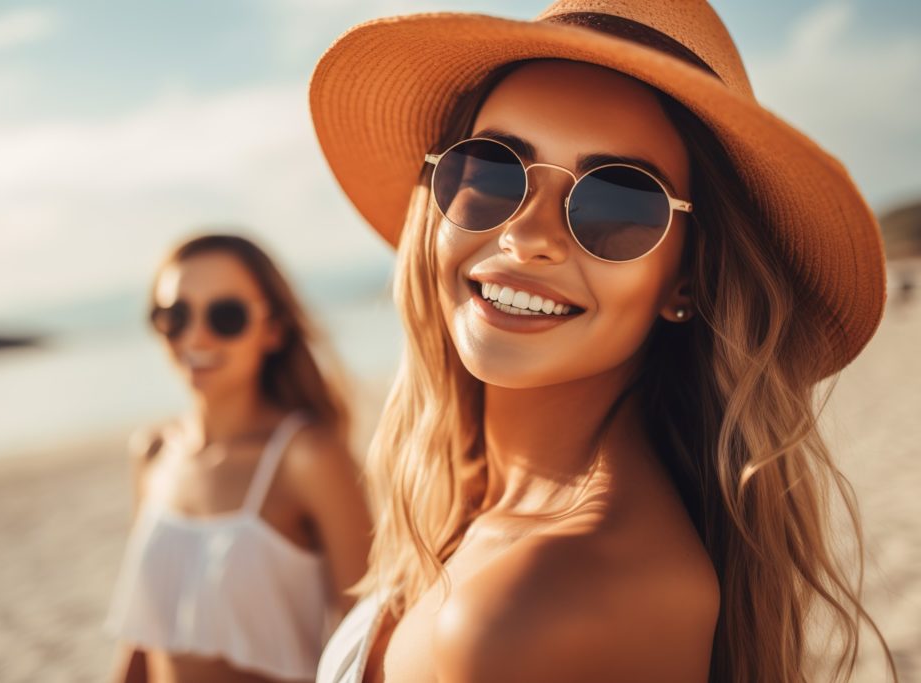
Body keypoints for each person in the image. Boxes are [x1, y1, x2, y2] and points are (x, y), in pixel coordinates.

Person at [308, 2, 897, 682]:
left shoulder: (541, 605)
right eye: (492, 171)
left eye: (618, 203)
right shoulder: (474, 500)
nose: (527, 236)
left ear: (687, 280)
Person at [106, 233, 372, 683]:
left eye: (225, 316)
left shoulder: (305, 456)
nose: (195, 336)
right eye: (175, 316)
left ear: (273, 329)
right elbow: (145, 633)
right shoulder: (152, 453)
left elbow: (367, 633)